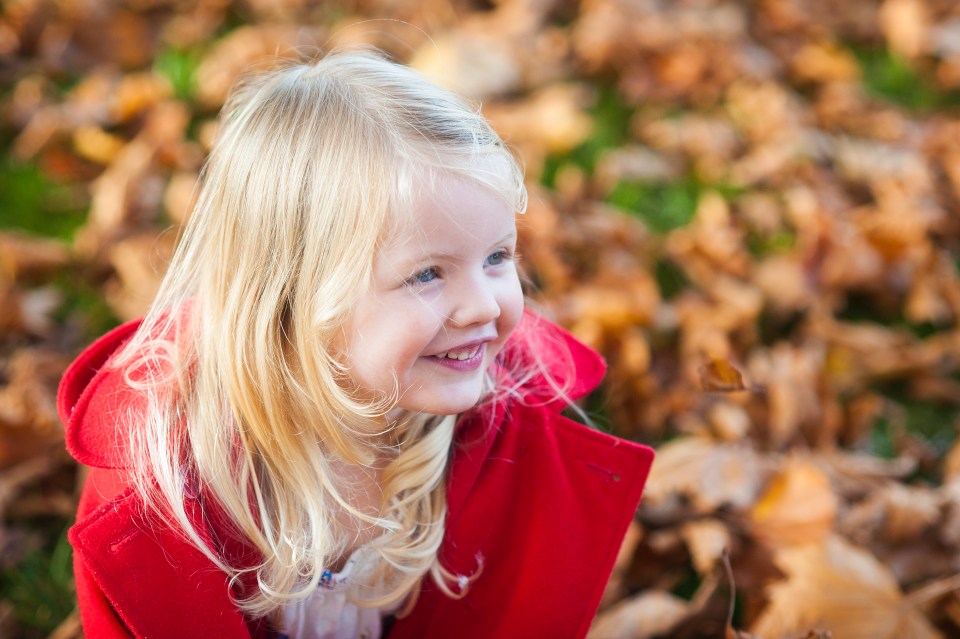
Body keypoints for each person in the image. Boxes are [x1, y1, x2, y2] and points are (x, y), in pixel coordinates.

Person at [58, 49, 655, 639]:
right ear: (293, 292)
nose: (485, 305)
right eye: (426, 274)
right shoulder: (169, 482)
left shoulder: (504, 433)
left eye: (497, 256)